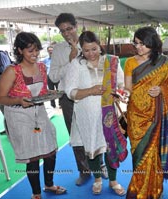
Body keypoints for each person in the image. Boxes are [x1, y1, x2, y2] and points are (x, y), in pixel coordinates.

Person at [0, 32, 67, 199]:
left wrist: (51, 93)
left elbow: (41, 92)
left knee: (50, 152)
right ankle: (36, 193)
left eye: (36, 50)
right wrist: (19, 100)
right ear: (20, 50)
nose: (35, 54)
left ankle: (49, 184)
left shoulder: (42, 67)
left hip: (39, 113)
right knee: (32, 158)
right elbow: (0, 97)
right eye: (30, 51)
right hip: (19, 116)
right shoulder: (11, 71)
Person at [124, 26, 168, 199]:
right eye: (136, 43)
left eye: (143, 44)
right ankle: (139, 189)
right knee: (139, 155)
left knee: (154, 154)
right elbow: (128, 89)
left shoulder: (164, 62)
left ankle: (154, 191)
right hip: (136, 115)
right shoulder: (130, 62)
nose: (138, 47)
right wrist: (122, 95)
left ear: (152, 43)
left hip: (156, 114)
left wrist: (161, 89)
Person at [64, 30, 127, 196]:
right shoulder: (76, 64)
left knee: (110, 148)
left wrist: (119, 94)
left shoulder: (112, 62)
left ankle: (113, 181)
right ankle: (97, 180)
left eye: (94, 49)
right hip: (86, 115)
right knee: (92, 148)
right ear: (81, 50)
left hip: (108, 116)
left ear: (100, 46)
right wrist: (91, 90)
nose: (90, 53)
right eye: (86, 50)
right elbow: (70, 91)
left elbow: (122, 85)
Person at [49, 13, 107, 185]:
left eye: (69, 29)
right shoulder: (58, 49)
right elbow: (52, 76)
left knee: (97, 129)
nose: (66, 33)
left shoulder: (89, 43)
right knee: (76, 136)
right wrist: (71, 61)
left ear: (76, 27)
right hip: (68, 98)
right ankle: (84, 170)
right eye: (62, 31)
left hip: (94, 96)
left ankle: (100, 164)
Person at [0, 50, 12, 135]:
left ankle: (11, 130)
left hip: (3, 87)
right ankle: (9, 128)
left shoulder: (0, 54)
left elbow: (5, 70)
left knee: (6, 109)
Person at [42, 43, 59, 108]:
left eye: (52, 50)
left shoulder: (58, 59)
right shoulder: (45, 60)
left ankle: (60, 104)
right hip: (49, 77)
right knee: (50, 91)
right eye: (49, 51)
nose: (50, 52)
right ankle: (53, 104)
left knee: (58, 90)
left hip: (57, 76)